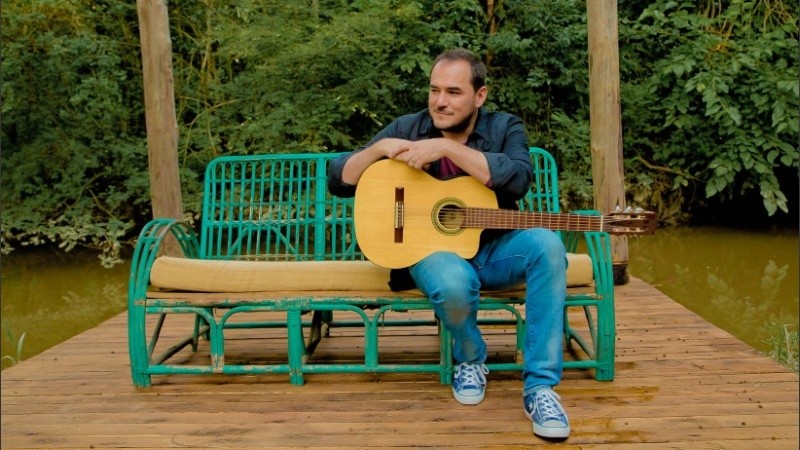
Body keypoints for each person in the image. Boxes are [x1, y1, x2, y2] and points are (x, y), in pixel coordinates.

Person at [327, 48, 571, 439]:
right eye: (434, 90)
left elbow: (519, 179)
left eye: (454, 92)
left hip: (495, 251)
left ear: (480, 95)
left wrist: (445, 148)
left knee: (548, 244)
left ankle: (541, 387)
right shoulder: (407, 127)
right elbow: (338, 179)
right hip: (430, 254)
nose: (440, 101)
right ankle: (471, 357)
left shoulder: (506, 127)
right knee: (453, 279)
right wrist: (376, 150)